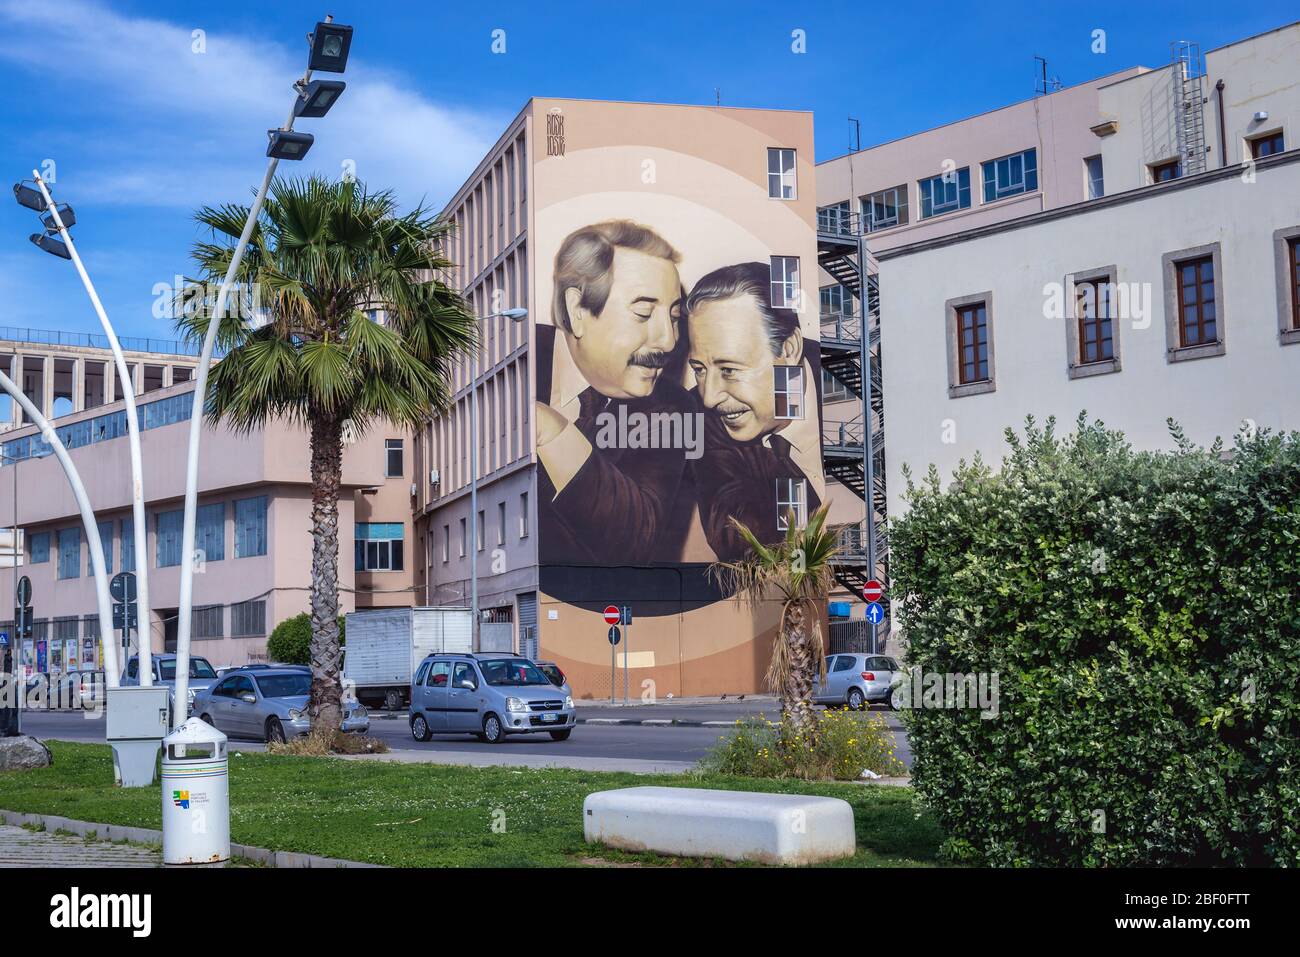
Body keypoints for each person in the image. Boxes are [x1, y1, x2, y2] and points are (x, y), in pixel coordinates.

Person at [534, 220, 694, 564]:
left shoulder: (670, 407)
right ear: (578, 310)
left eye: (675, 316)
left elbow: (638, 536)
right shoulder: (513, 360)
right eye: (643, 312)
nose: (668, 340)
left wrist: (553, 432)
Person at [685, 262, 825, 562]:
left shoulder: (838, 378)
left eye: (729, 370)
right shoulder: (699, 414)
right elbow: (736, 534)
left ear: (788, 351)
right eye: (699, 369)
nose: (709, 397)